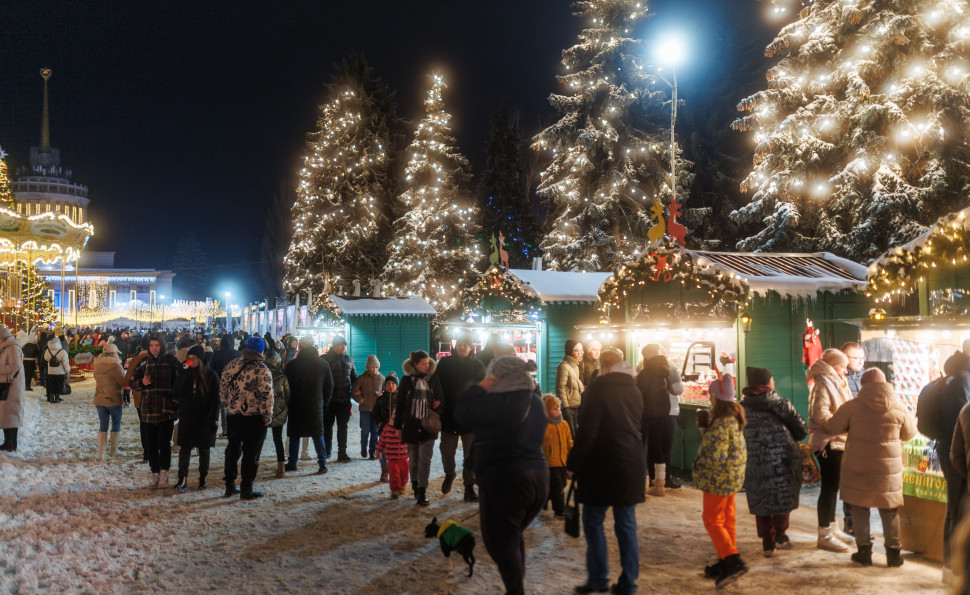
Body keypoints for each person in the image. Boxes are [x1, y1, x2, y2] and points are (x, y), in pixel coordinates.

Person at [456, 356, 548, 595]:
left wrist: (480, 387)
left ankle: (515, 592)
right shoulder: (535, 400)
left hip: (506, 479)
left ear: (497, 376)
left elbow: (462, 412)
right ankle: (515, 589)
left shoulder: (497, 401)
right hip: (539, 477)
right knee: (512, 537)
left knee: (500, 543)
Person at [565, 348, 643, 594]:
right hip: (630, 463)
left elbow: (587, 433)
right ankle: (629, 581)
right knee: (627, 525)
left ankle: (598, 578)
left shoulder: (598, 389)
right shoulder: (634, 389)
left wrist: (573, 463)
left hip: (600, 466)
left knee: (593, 521)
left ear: (604, 366)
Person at [822, 367, 915, 567]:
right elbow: (910, 434)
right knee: (889, 511)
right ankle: (893, 555)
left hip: (858, 468)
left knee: (859, 508)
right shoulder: (899, 407)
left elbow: (833, 427)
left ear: (862, 385)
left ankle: (864, 552)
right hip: (887, 472)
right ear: (884, 383)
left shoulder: (852, 406)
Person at [739, 367, 807, 557]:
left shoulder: (740, 407)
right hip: (783, 458)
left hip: (754, 458)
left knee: (761, 497)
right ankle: (781, 535)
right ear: (767, 383)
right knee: (782, 496)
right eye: (772, 380)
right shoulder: (781, 403)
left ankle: (767, 541)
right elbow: (801, 430)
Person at [694, 373, 748, 588]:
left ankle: (732, 559)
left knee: (711, 519)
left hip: (718, 480)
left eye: (710, 397)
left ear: (715, 399)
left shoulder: (720, 424)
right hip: (732, 478)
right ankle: (725, 559)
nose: (709, 400)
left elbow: (716, 455)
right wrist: (705, 429)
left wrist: (700, 467)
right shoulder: (734, 419)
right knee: (727, 519)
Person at [807, 348, 854, 552]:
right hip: (828, 443)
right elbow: (821, 414)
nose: (845, 371)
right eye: (843, 366)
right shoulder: (823, 384)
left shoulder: (833, 381)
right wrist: (839, 425)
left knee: (833, 487)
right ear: (833, 366)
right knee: (828, 488)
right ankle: (824, 533)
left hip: (837, 440)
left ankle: (832, 527)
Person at [220, 336, 274, 500]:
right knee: (251, 454)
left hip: (234, 415)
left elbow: (222, 391)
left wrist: (229, 405)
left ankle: (230, 486)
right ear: (261, 351)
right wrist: (268, 416)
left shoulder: (232, 365)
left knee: (232, 449)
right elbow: (267, 396)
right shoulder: (262, 369)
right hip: (254, 418)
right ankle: (246, 488)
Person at [435, 332, 486, 501]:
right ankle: (450, 473)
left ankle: (469, 488)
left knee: (470, 455)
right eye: (460, 344)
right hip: (449, 415)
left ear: (471, 347)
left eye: (466, 344)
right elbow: (437, 385)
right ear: (456, 345)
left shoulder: (477, 365)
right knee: (446, 452)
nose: (462, 347)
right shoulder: (445, 363)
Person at [131, 335, 182, 488]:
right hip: (148, 409)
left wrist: (174, 402)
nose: (154, 348)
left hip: (165, 409)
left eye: (157, 345)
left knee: (164, 443)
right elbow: (132, 382)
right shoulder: (143, 362)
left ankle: (164, 473)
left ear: (162, 346)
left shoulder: (171, 361)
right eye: (152, 345)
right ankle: (155, 473)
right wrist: (142, 382)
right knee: (151, 444)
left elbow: (180, 382)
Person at [394, 350, 443, 506]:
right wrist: (397, 427)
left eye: (428, 363)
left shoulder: (434, 379)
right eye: (423, 363)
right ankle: (415, 483)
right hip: (410, 425)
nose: (427, 366)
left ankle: (422, 490)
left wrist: (437, 406)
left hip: (428, 425)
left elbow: (441, 399)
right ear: (415, 365)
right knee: (414, 459)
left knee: (425, 460)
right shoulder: (406, 381)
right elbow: (400, 404)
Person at [934, 350, 970, 565]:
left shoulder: (946, 384)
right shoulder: (963, 385)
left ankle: (952, 565)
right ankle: (954, 564)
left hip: (948, 449)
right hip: (953, 452)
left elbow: (956, 455)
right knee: (957, 509)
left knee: (955, 507)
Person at [637, 343, 684, 496]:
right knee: (661, 448)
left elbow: (639, 394)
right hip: (664, 412)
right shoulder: (667, 367)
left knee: (642, 447)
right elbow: (678, 390)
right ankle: (660, 483)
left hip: (645, 414)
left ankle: (643, 483)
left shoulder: (642, 370)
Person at [171, 345, 220, 491]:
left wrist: (213, 417)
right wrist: (183, 375)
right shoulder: (185, 373)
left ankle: (202, 478)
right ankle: (182, 479)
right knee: (184, 449)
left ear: (200, 359)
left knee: (204, 451)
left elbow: (216, 399)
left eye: (194, 358)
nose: (191, 360)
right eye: (189, 358)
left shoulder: (211, 375)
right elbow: (174, 392)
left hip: (204, 419)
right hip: (187, 417)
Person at [283, 336, 331, 475]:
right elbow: (329, 387)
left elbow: (286, 387)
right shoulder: (323, 364)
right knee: (317, 434)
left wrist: (288, 402)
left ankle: (292, 463)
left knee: (295, 434)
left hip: (296, 404)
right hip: (315, 404)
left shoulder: (292, 365)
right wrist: (324, 403)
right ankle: (322, 464)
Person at [322, 336, 357, 462]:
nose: (343, 347)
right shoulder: (324, 359)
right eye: (341, 345)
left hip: (344, 400)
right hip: (329, 401)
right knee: (327, 427)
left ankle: (342, 452)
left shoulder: (350, 360)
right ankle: (326, 451)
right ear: (334, 346)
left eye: (344, 345)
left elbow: (354, 378)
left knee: (343, 427)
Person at [541, 394, 573, 517]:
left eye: (558, 407)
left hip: (562, 460)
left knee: (562, 484)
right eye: (554, 408)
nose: (558, 410)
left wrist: (572, 450)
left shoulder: (564, 424)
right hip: (550, 462)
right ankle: (559, 510)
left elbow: (568, 440)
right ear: (546, 411)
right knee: (558, 487)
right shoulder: (544, 425)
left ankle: (545, 498)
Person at [93, 343, 126, 461]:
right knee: (115, 424)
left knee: (103, 425)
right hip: (114, 399)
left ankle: (101, 454)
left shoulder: (97, 364)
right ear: (114, 353)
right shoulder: (116, 365)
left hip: (99, 398)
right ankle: (113, 451)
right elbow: (123, 382)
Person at [264, 342, 291, 478]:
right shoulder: (283, 378)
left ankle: (254, 462)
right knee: (278, 439)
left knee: (259, 439)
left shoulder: (262, 376)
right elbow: (288, 396)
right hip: (279, 413)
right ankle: (281, 466)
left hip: (263, 413)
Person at [351, 354, 384, 460]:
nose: (375, 369)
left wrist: (382, 394)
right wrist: (359, 399)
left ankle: (372, 451)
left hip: (376, 410)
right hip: (365, 409)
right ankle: (363, 448)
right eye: (373, 367)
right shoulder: (361, 378)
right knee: (365, 430)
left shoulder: (381, 378)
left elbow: (386, 391)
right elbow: (353, 391)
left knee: (375, 431)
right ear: (368, 367)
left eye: (377, 367)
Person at [210, 333, 241, 438]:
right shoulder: (238, 354)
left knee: (220, 408)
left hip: (220, 383)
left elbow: (211, 370)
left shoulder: (216, 354)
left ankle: (224, 430)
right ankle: (233, 429)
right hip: (235, 384)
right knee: (234, 407)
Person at [0, 328, 26, 452]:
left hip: (12, 386)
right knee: (5, 415)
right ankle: (7, 442)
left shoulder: (12, 348)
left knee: (11, 415)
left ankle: (11, 443)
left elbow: (15, 366)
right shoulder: (5, 348)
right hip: (6, 385)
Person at [376, 409, 409, 499]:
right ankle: (395, 490)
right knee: (394, 475)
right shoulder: (387, 427)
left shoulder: (405, 427)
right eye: (394, 414)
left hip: (403, 456)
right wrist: (378, 450)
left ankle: (402, 485)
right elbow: (382, 440)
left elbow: (410, 440)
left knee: (404, 473)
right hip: (392, 457)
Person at [555, 340, 585, 439]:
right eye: (576, 350)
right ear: (570, 351)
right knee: (570, 435)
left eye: (581, 350)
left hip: (576, 406)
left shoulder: (578, 366)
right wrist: (565, 407)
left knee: (576, 434)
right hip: (568, 407)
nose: (580, 353)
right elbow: (560, 388)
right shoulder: (564, 366)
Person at [374, 373, 399, 483]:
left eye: (393, 383)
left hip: (398, 431)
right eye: (388, 383)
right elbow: (375, 413)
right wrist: (380, 424)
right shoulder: (380, 399)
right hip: (384, 430)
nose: (391, 385)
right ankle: (384, 471)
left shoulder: (400, 399)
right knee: (384, 452)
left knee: (397, 453)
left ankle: (395, 472)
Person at [43, 336, 70, 404]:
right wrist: (67, 371)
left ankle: (51, 398)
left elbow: (46, 358)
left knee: (51, 384)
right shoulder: (62, 351)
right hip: (60, 372)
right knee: (59, 384)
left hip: (50, 371)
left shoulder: (48, 350)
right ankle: (57, 398)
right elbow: (65, 362)